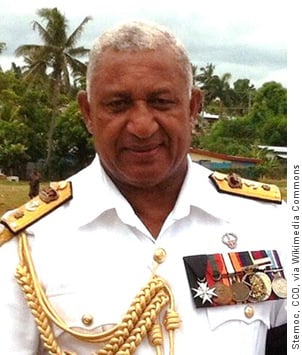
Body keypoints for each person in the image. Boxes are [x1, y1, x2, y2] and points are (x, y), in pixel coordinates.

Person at [0, 21, 287, 355]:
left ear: (193, 108)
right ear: (88, 113)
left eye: (161, 102)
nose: (141, 126)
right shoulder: (29, 247)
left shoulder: (267, 224)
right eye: (118, 104)